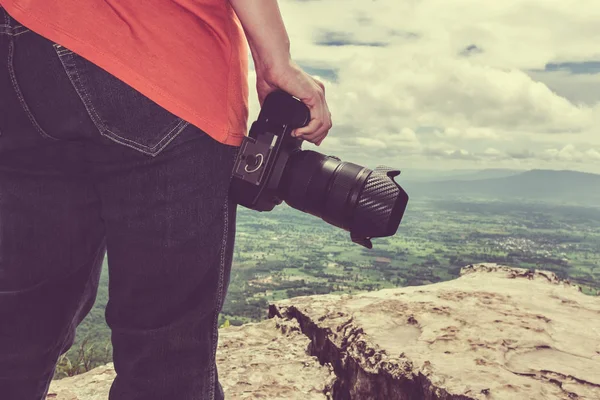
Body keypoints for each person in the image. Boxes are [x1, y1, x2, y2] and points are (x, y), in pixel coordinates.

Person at [0, 0, 332, 399]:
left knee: (18, 328)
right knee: (165, 358)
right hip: (162, 62)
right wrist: (275, 58)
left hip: (23, 46)